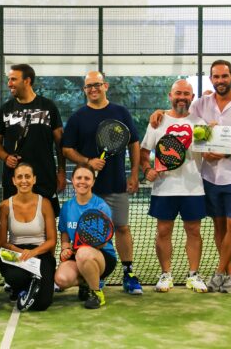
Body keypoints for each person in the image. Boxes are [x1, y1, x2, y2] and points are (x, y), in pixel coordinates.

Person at [151, 61, 231, 293]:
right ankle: (227, 274)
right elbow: (178, 110)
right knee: (218, 227)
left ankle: (219, 272)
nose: (220, 80)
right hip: (208, 177)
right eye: (216, 77)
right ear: (211, 79)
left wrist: (227, 150)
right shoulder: (202, 103)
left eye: (224, 76)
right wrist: (159, 112)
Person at [62, 71, 142, 295]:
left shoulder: (120, 112)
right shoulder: (78, 117)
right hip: (89, 189)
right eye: (89, 86)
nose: (93, 89)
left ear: (105, 85)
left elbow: (133, 143)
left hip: (116, 184)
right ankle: (97, 274)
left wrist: (134, 174)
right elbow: (67, 149)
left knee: (122, 228)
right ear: (84, 90)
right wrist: (88, 161)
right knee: (88, 233)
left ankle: (128, 273)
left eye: (97, 85)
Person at [140, 79, 208, 293]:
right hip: (164, 188)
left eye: (186, 94)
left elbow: (208, 154)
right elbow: (144, 153)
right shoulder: (157, 122)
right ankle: (166, 274)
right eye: (178, 93)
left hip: (193, 187)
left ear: (192, 98)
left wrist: (214, 135)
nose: (182, 97)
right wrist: (147, 169)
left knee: (194, 231)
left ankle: (193, 275)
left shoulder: (201, 123)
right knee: (163, 231)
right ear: (170, 96)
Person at [0, 64, 66, 217]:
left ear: (27, 81)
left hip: (45, 178)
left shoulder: (48, 106)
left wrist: (61, 172)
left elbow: (60, 143)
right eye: (8, 79)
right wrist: (6, 157)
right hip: (15, 181)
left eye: (13, 79)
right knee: (15, 224)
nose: (9, 83)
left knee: (46, 225)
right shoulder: (5, 109)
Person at [54, 163, 117, 309]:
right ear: (73, 180)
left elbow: (102, 242)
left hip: (102, 257)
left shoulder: (101, 207)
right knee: (61, 279)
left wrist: (76, 249)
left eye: (87, 178)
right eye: (79, 178)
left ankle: (96, 293)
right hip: (78, 255)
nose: (82, 181)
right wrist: (65, 248)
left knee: (83, 252)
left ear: (93, 182)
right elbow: (64, 233)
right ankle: (86, 283)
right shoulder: (67, 207)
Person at [0, 162, 57, 311]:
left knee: (42, 304)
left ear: (34, 179)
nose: (24, 181)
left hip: (40, 252)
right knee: (16, 277)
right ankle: (22, 287)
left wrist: (34, 253)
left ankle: (31, 286)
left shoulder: (45, 204)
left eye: (28, 176)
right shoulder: (4, 206)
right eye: (20, 177)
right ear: (14, 181)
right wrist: (21, 252)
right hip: (15, 252)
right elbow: (2, 242)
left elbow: (52, 240)